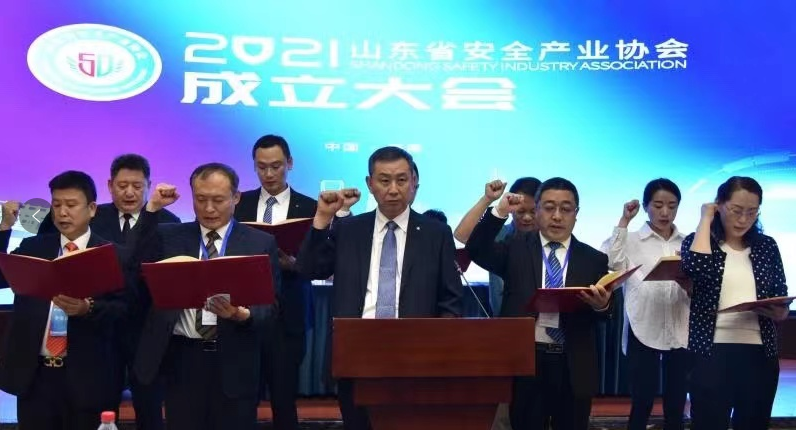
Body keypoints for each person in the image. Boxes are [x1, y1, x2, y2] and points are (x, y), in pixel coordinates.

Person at [298, 146, 462, 430]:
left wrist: (436, 348)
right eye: (385, 181)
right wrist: (322, 219)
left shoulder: (436, 233)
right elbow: (310, 269)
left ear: (414, 182)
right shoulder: (349, 229)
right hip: (356, 352)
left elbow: (451, 299)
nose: (393, 189)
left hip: (415, 354)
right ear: (370, 184)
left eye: (401, 180)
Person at [133, 163, 281, 430]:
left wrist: (241, 314)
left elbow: (270, 308)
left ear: (236, 198)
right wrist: (152, 209)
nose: (209, 208)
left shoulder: (259, 243)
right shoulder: (170, 236)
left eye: (218, 200)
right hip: (182, 357)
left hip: (233, 358)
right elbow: (133, 263)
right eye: (200, 199)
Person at [38, 154, 180, 430]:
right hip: (99, 330)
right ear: (109, 185)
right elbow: (49, 238)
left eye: (137, 186)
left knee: (149, 407)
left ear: (149, 186)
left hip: (146, 330)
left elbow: (144, 266)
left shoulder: (168, 221)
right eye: (122, 185)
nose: (129, 193)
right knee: (102, 406)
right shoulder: (91, 215)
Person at [466, 177, 612, 430]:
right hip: (527, 360)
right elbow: (476, 249)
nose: (557, 216)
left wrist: (602, 306)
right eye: (549, 207)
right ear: (537, 210)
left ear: (576, 214)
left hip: (573, 363)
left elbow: (606, 313)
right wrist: (499, 211)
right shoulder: (515, 249)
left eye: (566, 209)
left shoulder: (593, 259)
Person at [234, 134, 355, 430]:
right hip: (243, 313)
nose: (269, 174)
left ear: (290, 163)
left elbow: (324, 260)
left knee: (284, 398)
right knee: (240, 398)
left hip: (290, 313)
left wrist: (296, 264)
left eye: (276, 166)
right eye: (261, 167)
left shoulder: (311, 207)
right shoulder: (238, 204)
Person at [0, 171, 131, 430]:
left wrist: (88, 308)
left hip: (89, 379)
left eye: (71, 205)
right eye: (57, 204)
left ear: (92, 209)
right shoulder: (33, 248)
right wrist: (4, 228)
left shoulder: (113, 255)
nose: (62, 213)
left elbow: (126, 309)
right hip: (35, 377)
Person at [681, 176, 788, 430]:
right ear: (719, 204)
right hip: (711, 351)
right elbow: (696, 269)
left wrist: (779, 311)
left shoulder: (766, 246)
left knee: (753, 423)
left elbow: (780, 292)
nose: (743, 219)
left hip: (760, 353)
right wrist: (705, 218)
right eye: (736, 210)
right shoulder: (698, 241)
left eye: (752, 212)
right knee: (708, 423)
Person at [600, 178, 691, 430]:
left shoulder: (688, 241)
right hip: (643, 323)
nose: (665, 212)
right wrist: (624, 221)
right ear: (646, 206)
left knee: (677, 399)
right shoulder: (631, 239)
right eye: (658, 205)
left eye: (672, 206)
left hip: (680, 324)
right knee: (642, 398)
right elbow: (612, 264)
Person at [454, 177, 541, 316]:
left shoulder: (550, 240)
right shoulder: (499, 233)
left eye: (533, 212)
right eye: (521, 211)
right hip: (503, 319)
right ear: (512, 209)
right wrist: (487, 199)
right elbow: (461, 235)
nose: (527, 217)